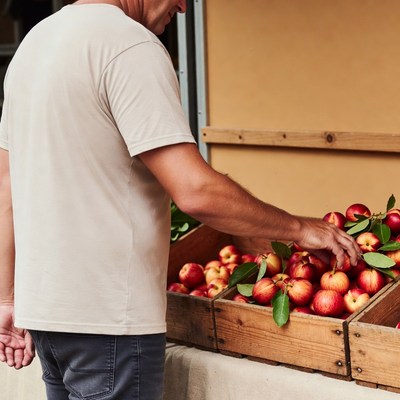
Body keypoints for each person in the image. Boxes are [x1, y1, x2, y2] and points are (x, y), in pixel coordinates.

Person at [0, 0, 360, 398]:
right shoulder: (128, 44)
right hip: (108, 320)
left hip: (49, 314)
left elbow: (6, 188)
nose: (184, 7)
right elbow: (196, 191)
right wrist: (299, 229)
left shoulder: (35, 44)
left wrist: (8, 298)